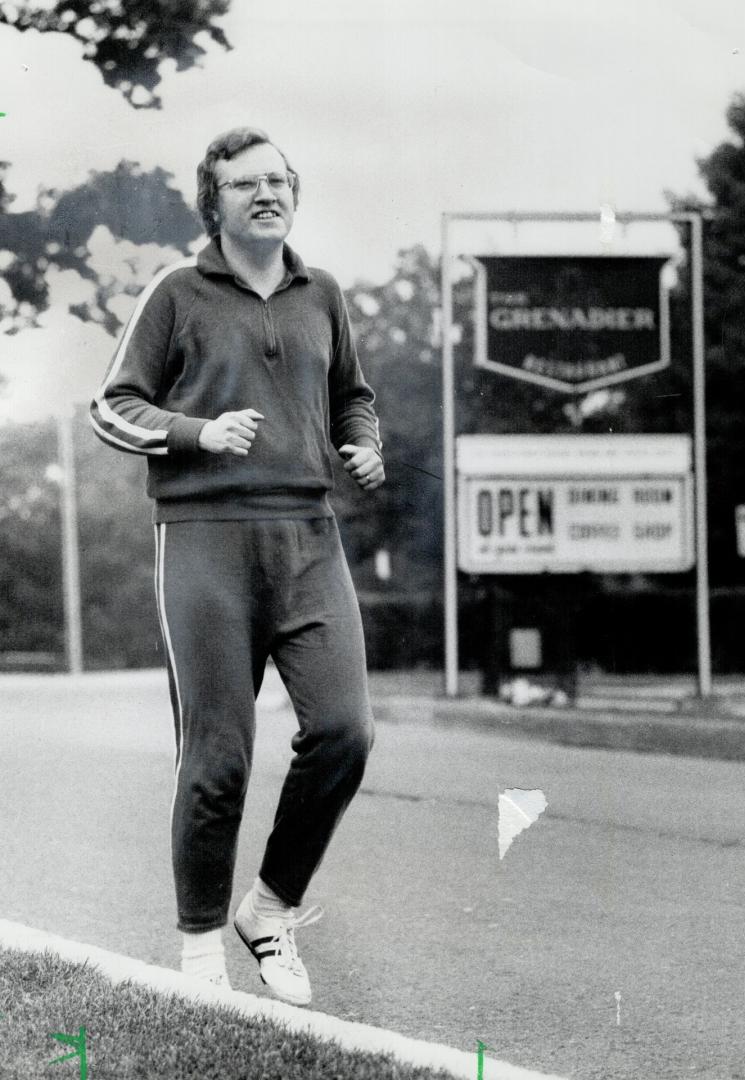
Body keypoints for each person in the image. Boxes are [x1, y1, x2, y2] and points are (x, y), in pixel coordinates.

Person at [89, 127, 384, 1006]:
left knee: (345, 732)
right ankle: (197, 961)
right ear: (211, 203)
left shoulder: (320, 292)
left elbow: (354, 399)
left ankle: (269, 908)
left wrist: (362, 446)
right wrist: (196, 433)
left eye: (280, 180)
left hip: (309, 537)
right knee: (219, 754)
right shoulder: (177, 293)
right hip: (205, 539)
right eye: (246, 183)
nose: (268, 194)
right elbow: (112, 406)